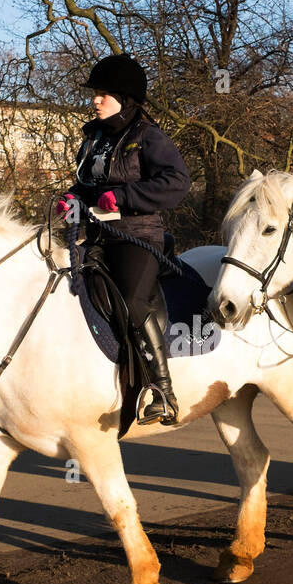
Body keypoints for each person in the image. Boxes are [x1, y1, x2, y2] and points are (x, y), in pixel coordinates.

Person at [56, 54, 191, 425]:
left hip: (138, 237)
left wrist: (126, 197)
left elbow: (178, 183)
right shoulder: (94, 140)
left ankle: (162, 391)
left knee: (132, 301)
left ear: (125, 99)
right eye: (95, 94)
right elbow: (86, 187)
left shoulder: (149, 136)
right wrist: (71, 198)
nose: (95, 100)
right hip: (97, 236)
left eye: (103, 94)